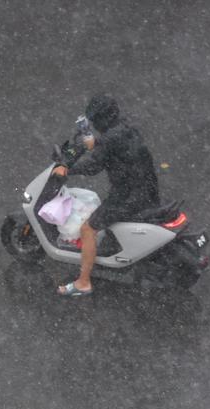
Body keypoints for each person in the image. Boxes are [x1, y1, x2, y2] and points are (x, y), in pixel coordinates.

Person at [53, 94, 160, 297]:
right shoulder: (126, 128)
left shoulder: (111, 138)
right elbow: (114, 150)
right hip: (147, 190)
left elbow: (93, 166)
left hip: (128, 196)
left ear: (102, 119)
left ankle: (83, 282)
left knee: (88, 228)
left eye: (94, 120)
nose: (93, 124)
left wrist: (66, 169)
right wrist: (96, 144)